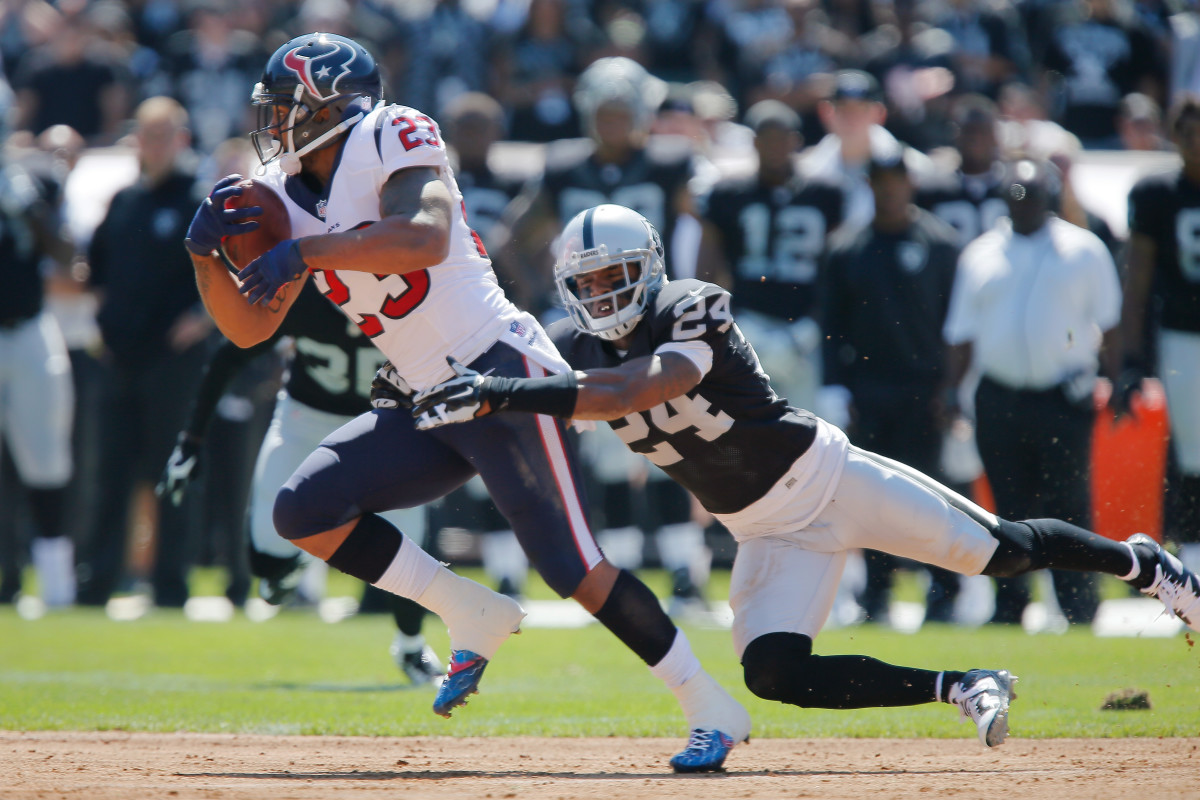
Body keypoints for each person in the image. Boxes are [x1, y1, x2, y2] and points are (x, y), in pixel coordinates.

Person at [402, 202, 1200, 751]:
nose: (603, 296)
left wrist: (504, 392)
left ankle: (1140, 561)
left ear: (647, 269)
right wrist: (415, 381)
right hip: (760, 528)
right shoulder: (572, 355)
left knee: (1004, 551)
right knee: (773, 673)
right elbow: (514, 372)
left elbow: (641, 388)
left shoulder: (691, 303)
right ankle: (962, 685)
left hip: (829, 478)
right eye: (589, 285)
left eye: (616, 278)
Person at [185, 32, 749, 773]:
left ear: (333, 102)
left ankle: (710, 703)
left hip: (497, 368)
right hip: (422, 388)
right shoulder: (287, 196)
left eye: (288, 106)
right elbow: (249, 327)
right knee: (303, 510)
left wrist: (307, 252)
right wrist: (206, 259)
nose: (275, 122)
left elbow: (423, 235)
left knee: (571, 565)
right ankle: (467, 609)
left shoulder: (392, 130)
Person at [158, 279, 444, 685]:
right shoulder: (300, 297)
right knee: (264, 558)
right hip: (305, 420)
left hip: (386, 422)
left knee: (409, 543)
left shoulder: (403, 300)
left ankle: (412, 647)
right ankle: (294, 562)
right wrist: (191, 441)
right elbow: (229, 357)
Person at [943, 159, 1120, 626]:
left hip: (1063, 397)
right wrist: (950, 390)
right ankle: (1011, 605)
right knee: (1008, 506)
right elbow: (960, 333)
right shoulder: (980, 253)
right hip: (999, 395)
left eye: (1035, 196)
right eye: (1017, 196)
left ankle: (1080, 608)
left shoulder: (1083, 250)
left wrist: (1118, 378)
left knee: (1069, 503)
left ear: (1053, 197)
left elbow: (1111, 323)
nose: (1025, 206)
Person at [76, 96, 214, 609]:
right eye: (146, 135)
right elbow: (95, 270)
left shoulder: (197, 201)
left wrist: (200, 320)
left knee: (171, 473)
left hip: (172, 361)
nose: (153, 146)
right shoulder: (123, 201)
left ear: (180, 140)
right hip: (119, 356)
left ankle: (170, 586)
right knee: (109, 471)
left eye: (163, 136)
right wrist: (102, 322)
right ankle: (97, 583)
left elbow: (228, 274)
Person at [821, 154, 962, 625]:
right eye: (879, 181)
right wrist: (834, 386)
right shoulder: (847, 247)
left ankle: (944, 589)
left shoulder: (941, 244)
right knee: (872, 499)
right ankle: (877, 593)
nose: (888, 190)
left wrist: (952, 386)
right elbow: (831, 324)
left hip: (925, 389)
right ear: (869, 184)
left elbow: (955, 325)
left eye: (896, 181)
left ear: (910, 183)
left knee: (932, 493)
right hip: (869, 388)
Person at [1119, 97, 1200, 574]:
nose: (1194, 142)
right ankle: (1190, 565)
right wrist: (1131, 356)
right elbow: (1138, 282)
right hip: (1183, 336)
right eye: (1186, 132)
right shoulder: (1156, 193)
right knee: (1191, 455)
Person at [0, 133, 76, 608]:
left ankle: (56, 583)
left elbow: (69, 257)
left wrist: (26, 207)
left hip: (28, 328)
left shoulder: (37, 178)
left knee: (47, 456)